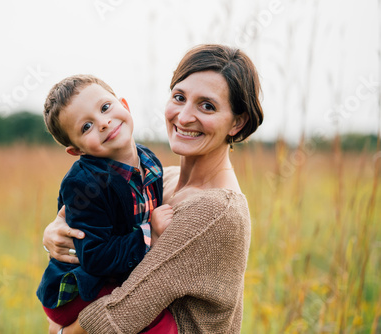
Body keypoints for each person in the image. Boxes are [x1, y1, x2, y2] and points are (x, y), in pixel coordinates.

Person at [43, 44, 264, 333]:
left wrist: (59, 331)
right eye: (180, 97)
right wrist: (57, 235)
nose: (184, 117)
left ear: (237, 123)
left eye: (207, 106)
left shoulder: (215, 211)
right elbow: (101, 234)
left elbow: (124, 312)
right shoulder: (162, 179)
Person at [36, 74, 177, 333]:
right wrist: (151, 233)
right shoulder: (84, 184)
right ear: (76, 150)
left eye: (105, 108)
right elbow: (94, 257)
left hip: (113, 274)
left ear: (124, 104)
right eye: (86, 127)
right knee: (161, 324)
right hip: (79, 287)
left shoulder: (149, 161)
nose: (103, 122)